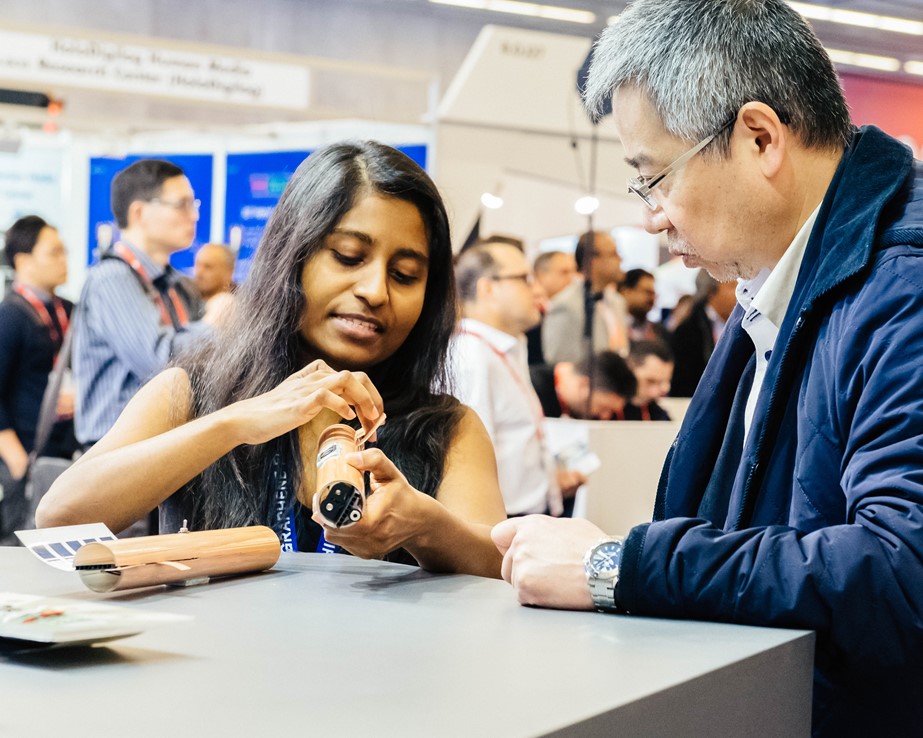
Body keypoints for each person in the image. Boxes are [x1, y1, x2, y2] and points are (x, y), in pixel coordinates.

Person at [491, 1, 923, 733]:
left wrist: (621, 568)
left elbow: (900, 571)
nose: (650, 215)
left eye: (654, 176)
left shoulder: (901, 288)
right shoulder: (776, 279)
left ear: (758, 138)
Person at [37, 141, 506, 578]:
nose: (374, 291)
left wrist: (425, 528)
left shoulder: (447, 427)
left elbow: (498, 571)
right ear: (291, 256)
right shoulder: (194, 392)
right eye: (347, 257)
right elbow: (60, 517)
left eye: (405, 275)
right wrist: (233, 422)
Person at [73, 159, 226, 451]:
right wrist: (213, 324)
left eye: (193, 204)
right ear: (139, 212)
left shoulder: (176, 284)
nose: (193, 215)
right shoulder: (112, 278)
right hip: (114, 457)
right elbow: (157, 361)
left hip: (163, 449)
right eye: (181, 205)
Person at [450, 239, 582, 517]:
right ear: (487, 288)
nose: (538, 288)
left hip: (526, 514)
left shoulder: (505, 347)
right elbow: (470, 463)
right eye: (524, 278)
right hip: (501, 522)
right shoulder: (470, 355)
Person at [0, 216, 77, 536]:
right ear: (23, 260)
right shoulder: (11, 315)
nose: (64, 260)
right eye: (54, 252)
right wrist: (17, 461)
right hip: (25, 457)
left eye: (63, 251)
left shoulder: (68, 309)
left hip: (63, 453)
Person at [542, 231, 628, 365]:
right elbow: (559, 362)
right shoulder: (565, 305)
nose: (620, 260)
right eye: (613, 254)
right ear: (592, 261)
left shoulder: (617, 302)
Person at [669, 271, 738, 397]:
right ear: (711, 292)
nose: (738, 292)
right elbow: (683, 380)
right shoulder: (689, 329)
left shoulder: (739, 323)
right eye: (732, 286)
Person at [529, 352, 636, 421]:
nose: (605, 417)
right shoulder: (532, 389)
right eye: (604, 407)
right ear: (584, 384)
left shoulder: (582, 411)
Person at [623, 340, 673, 421]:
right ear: (629, 369)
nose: (656, 392)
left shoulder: (660, 417)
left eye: (664, 382)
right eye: (651, 381)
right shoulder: (605, 411)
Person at [619, 268, 669, 343]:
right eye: (647, 292)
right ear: (627, 292)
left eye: (653, 294)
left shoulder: (660, 333)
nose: (652, 298)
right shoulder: (612, 325)